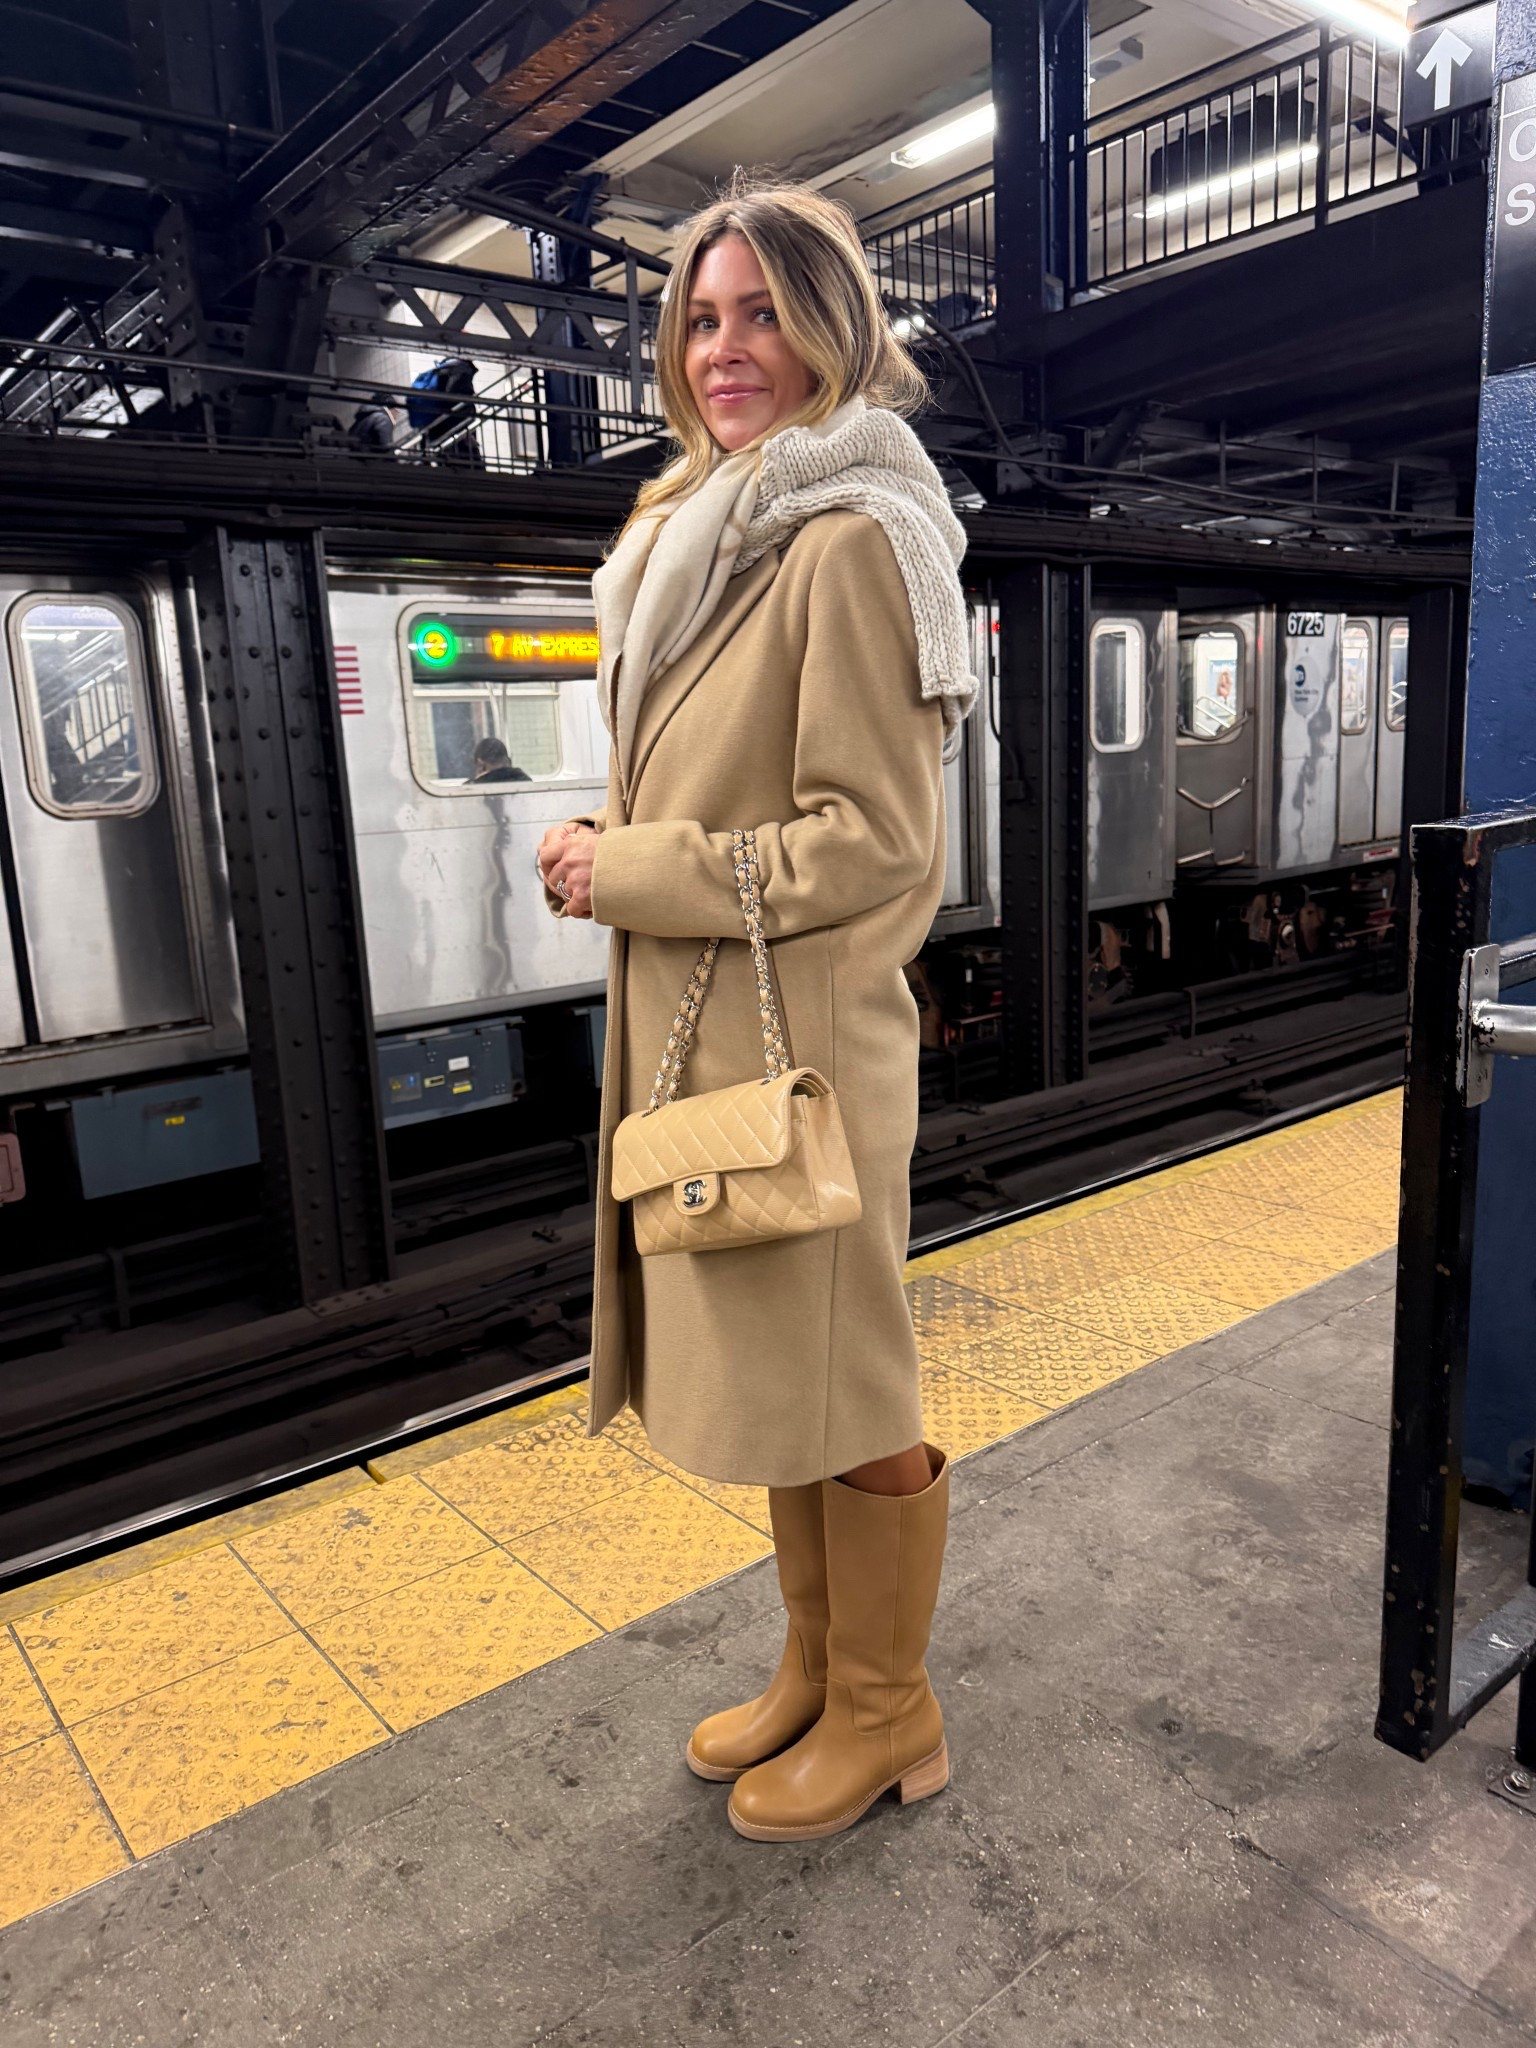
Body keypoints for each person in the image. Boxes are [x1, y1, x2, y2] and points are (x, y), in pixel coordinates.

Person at [537, 175, 976, 1843]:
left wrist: (628, 868)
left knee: (852, 1387)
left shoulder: (850, 539)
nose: (728, 349)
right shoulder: (702, 531)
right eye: (700, 319)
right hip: (717, 1037)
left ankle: (890, 1712)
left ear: (832, 325)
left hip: (810, 1055)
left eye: (763, 313)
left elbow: (878, 838)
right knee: (795, 1379)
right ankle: (815, 1669)